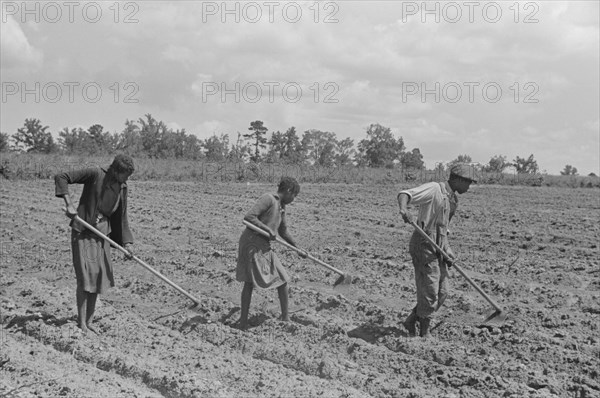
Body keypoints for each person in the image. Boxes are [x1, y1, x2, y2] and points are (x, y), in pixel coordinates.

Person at [54, 154, 135, 334]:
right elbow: (61, 176)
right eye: (125, 175)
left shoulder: (122, 188)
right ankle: (81, 322)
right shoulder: (95, 173)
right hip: (83, 230)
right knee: (85, 277)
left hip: (102, 234)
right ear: (115, 170)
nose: (127, 180)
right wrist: (69, 204)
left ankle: (89, 322)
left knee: (97, 276)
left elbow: (121, 217)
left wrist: (127, 243)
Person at [397, 163, 477, 338]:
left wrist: (448, 250)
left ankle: (412, 320)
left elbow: (443, 228)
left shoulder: (453, 200)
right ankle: (425, 333)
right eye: (468, 183)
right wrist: (404, 210)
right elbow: (405, 194)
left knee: (443, 292)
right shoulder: (434, 189)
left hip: (438, 246)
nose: (469, 187)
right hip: (424, 244)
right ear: (457, 179)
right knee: (430, 291)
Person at [236, 177, 306, 330]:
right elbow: (249, 217)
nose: (294, 199)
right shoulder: (268, 199)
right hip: (252, 242)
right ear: (288, 191)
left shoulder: (281, 207)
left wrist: (297, 248)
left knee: (282, 279)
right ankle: (242, 323)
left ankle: (285, 317)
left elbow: (282, 231)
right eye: (294, 195)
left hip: (264, 244)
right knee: (249, 282)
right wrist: (267, 229)